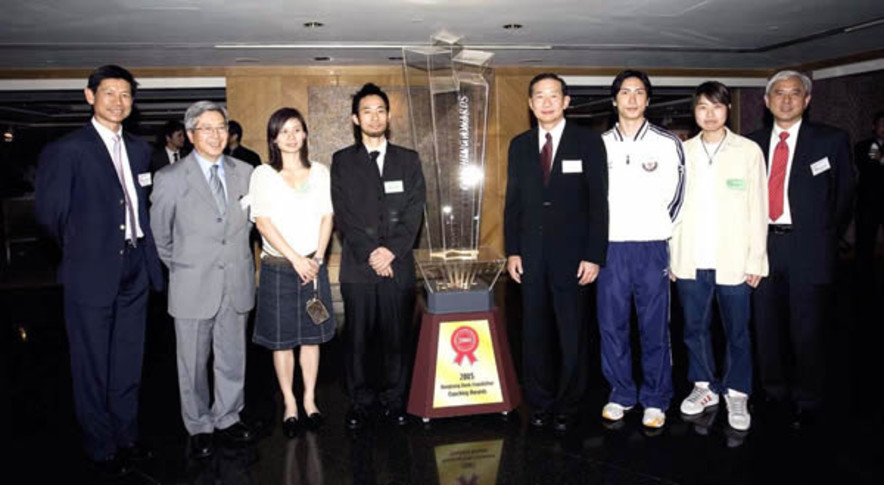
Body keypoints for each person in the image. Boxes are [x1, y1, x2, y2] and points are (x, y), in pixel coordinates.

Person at [34, 64, 164, 476]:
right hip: (90, 273)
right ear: (90, 96)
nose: (119, 102)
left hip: (135, 271)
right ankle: (100, 444)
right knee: (90, 364)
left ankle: (127, 436)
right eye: (109, 93)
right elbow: (49, 216)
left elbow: (142, 206)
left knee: (128, 360)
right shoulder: (67, 150)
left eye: (126, 95)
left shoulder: (142, 150)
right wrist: (86, 250)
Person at [747, 70, 854, 429]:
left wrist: (823, 235)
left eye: (795, 93)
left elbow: (843, 197)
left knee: (807, 327)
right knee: (765, 325)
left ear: (807, 100)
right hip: (762, 247)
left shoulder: (832, 140)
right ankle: (773, 390)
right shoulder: (752, 144)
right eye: (779, 93)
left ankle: (808, 396)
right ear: (766, 101)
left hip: (809, 248)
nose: (787, 99)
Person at [150, 101, 256, 458]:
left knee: (232, 357)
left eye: (221, 128)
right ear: (191, 135)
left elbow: (254, 224)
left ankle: (228, 416)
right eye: (206, 128)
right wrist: (185, 268)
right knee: (192, 363)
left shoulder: (246, 172)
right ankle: (197, 424)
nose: (215, 135)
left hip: (236, 281)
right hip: (193, 285)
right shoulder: (170, 178)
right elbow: (161, 238)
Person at [503, 73, 608, 432]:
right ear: (530, 104)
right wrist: (512, 251)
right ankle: (540, 401)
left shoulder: (588, 143)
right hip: (530, 255)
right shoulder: (518, 145)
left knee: (571, 331)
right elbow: (513, 204)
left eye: (553, 96)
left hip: (574, 257)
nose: (546, 103)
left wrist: (594, 254)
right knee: (533, 332)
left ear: (566, 102)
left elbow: (598, 203)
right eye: (539, 97)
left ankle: (569, 402)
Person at [669, 81, 768, 431]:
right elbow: (671, 209)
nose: (710, 115)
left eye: (717, 107)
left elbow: (759, 207)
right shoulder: (681, 151)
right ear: (693, 112)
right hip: (690, 258)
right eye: (702, 107)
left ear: (728, 109)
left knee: (737, 331)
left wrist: (757, 259)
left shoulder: (748, 151)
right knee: (693, 328)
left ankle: (737, 391)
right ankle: (704, 386)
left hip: (735, 260)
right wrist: (671, 257)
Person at [331, 83, 426, 429]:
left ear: (388, 116)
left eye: (381, 110)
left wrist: (391, 252)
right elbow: (343, 214)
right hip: (358, 267)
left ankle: (394, 400)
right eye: (367, 111)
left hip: (397, 266)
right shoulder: (342, 161)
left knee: (396, 337)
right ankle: (359, 402)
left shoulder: (408, 159)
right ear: (356, 118)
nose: (375, 117)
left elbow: (415, 211)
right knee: (356, 339)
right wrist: (372, 253)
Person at [597, 70, 685, 429]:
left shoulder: (667, 143)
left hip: (651, 248)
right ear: (614, 99)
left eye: (639, 92)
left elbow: (678, 197)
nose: (632, 99)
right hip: (610, 249)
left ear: (648, 100)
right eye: (625, 92)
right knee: (611, 325)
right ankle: (621, 392)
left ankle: (655, 397)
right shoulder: (599, 144)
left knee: (654, 326)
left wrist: (660, 233)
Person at [249, 107, 335, 438]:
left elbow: (328, 217)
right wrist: (297, 259)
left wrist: (318, 258)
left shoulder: (321, 172)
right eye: (283, 131)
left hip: (314, 266)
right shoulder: (263, 174)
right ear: (273, 138)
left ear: (305, 134)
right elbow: (263, 222)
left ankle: (310, 400)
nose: (290, 136)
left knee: (311, 338)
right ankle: (289, 403)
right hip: (279, 267)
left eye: (296, 129)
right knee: (282, 341)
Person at [854, 111, 884, 293]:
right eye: (882, 124)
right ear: (874, 127)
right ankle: (863, 282)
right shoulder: (865, 146)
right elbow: (870, 165)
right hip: (869, 203)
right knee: (865, 244)